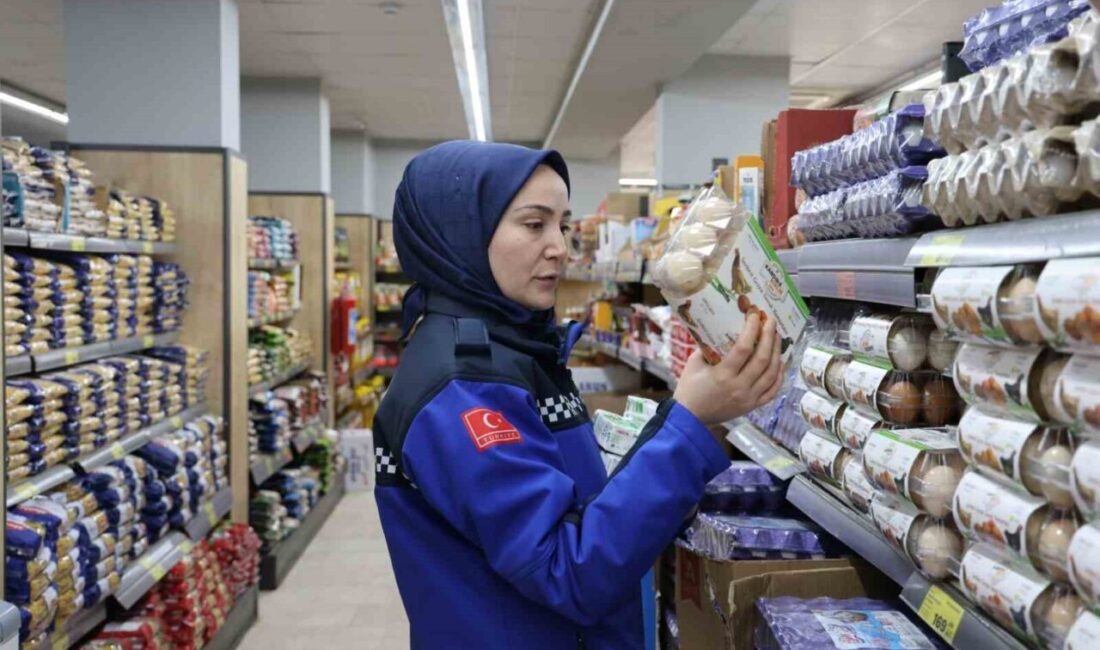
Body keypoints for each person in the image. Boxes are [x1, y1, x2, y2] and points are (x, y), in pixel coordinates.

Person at [374, 141, 783, 649]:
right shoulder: (463, 388)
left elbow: (569, 503)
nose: (559, 248)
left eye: (562, 225)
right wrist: (689, 423)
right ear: (463, 233)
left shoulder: (512, 349)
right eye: (532, 224)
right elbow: (565, 571)